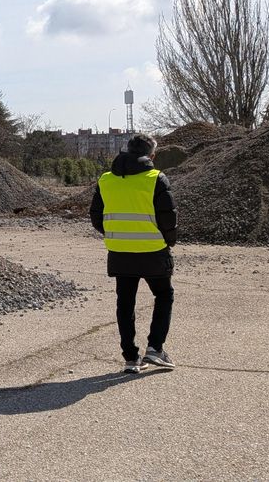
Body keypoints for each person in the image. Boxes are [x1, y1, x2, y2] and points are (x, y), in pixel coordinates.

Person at [90, 133, 178, 374]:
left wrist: (114, 233)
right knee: (164, 295)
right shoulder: (156, 179)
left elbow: (96, 216)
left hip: (120, 251)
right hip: (153, 250)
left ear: (126, 151)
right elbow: (168, 218)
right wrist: (169, 241)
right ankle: (155, 349)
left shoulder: (106, 180)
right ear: (152, 155)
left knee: (125, 302)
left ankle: (130, 357)